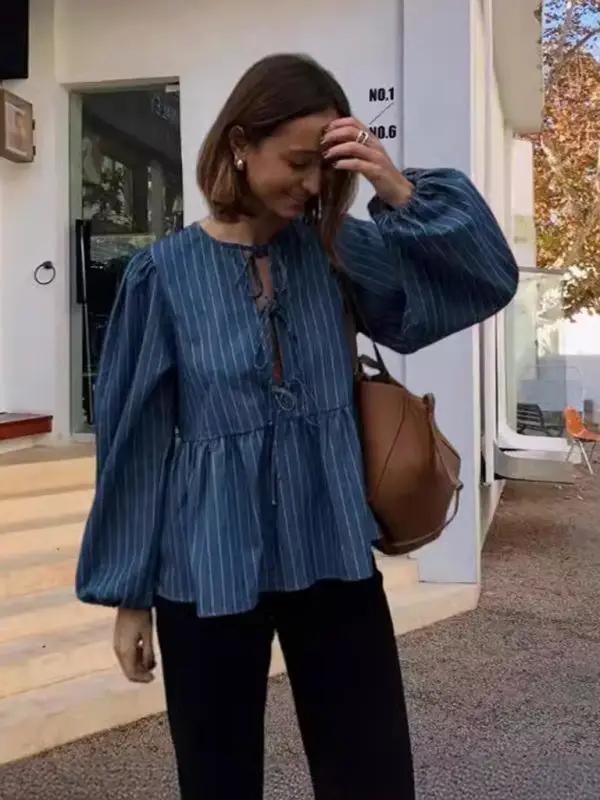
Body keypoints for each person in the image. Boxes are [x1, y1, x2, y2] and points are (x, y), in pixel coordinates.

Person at [76, 53, 518, 799]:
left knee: (372, 776)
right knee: (218, 781)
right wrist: (129, 597)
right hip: (206, 565)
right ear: (241, 143)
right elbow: (136, 441)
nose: (312, 186)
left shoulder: (336, 248)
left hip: (331, 548)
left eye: (326, 168)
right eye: (298, 163)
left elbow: (484, 280)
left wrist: (397, 188)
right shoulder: (163, 276)